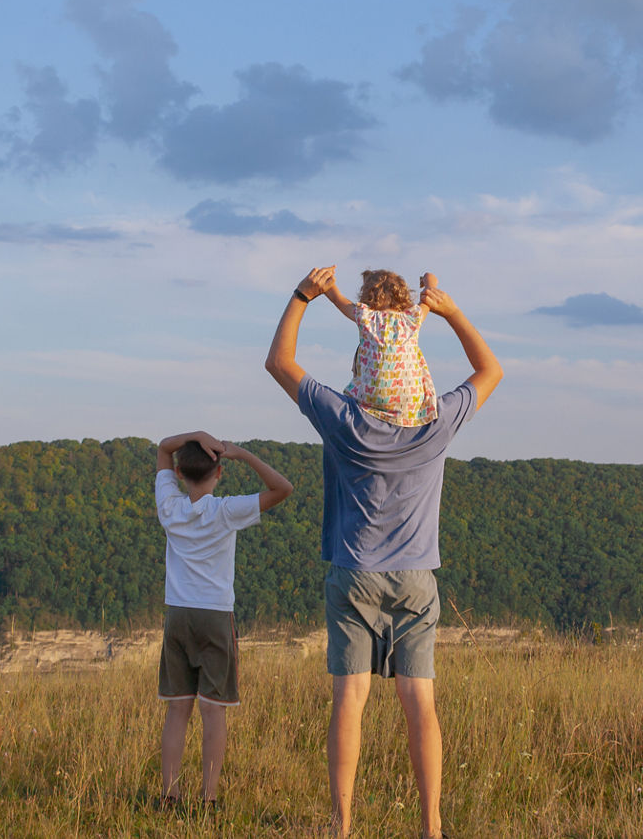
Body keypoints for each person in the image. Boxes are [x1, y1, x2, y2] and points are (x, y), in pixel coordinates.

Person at [265, 266, 502, 839]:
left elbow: (280, 363)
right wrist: (448, 311)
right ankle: (432, 827)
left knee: (350, 699)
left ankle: (341, 825)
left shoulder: (344, 418)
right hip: (417, 577)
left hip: (354, 574)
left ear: (365, 347)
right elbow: (490, 370)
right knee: (420, 705)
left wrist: (304, 296)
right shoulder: (435, 422)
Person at [154, 431, 294, 809]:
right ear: (219, 473)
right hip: (215, 615)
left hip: (178, 613)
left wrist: (196, 436)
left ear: (180, 474)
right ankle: (208, 798)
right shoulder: (226, 510)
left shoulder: (170, 507)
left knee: (177, 708)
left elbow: (164, 447)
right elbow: (283, 488)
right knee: (213, 710)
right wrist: (244, 455)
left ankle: (170, 795)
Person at [322, 268, 439, 427]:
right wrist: (429, 281)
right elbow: (429, 298)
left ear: (367, 297)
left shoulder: (365, 317)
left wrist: (328, 282)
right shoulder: (412, 318)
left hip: (371, 398)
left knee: (354, 390)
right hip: (409, 402)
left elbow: (337, 299)